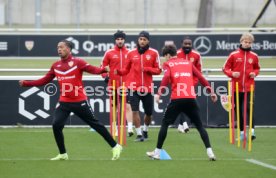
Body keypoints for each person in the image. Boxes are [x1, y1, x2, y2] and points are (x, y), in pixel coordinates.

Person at [19, 40, 122, 161]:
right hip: (64, 102)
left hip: (80, 101)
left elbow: (93, 69)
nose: (59, 49)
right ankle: (63, 154)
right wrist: (26, 83)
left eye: (62, 47)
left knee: (96, 124)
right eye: (58, 47)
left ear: (69, 49)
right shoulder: (56, 65)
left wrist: (104, 70)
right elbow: (44, 80)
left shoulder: (78, 62)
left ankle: (115, 146)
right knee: (56, 125)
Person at [146, 44, 217, 161]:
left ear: (168, 55)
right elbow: (200, 76)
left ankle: (157, 152)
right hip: (190, 98)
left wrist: (159, 93)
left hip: (177, 99)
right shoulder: (188, 62)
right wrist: (211, 92)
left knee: (165, 124)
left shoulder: (168, 64)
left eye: (165, 57)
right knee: (199, 126)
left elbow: (166, 77)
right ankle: (210, 152)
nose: (165, 59)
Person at [115, 31, 162, 141]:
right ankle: (139, 134)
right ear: (138, 40)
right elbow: (126, 69)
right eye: (140, 39)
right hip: (133, 88)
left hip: (147, 88)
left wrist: (147, 69)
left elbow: (158, 70)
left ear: (148, 41)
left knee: (149, 113)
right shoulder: (131, 53)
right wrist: (119, 72)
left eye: (144, 39)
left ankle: (145, 129)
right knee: (134, 110)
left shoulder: (154, 53)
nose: (142, 41)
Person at [223, 32, 260, 141]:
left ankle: (252, 132)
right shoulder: (233, 55)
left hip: (249, 87)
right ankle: (242, 133)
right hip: (236, 87)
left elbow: (257, 68)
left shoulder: (254, 56)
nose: (247, 44)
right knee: (238, 110)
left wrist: (255, 73)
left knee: (249, 108)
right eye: (245, 42)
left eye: (249, 42)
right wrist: (232, 73)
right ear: (241, 42)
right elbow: (225, 68)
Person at [101, 30, 134, 137]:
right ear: (115, 40)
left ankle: (129, 128)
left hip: (126, 85)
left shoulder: (129, 53)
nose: (120, 41)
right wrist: (105, 76)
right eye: (118, 39)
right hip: (113, 85)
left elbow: (133, 68)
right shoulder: (109, 53)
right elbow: (103, 67)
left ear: (124, 40)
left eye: (121, 39)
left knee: (128, 106)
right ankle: (114, 129)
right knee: (114, 107)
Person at [175, 37, 202, 133]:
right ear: (181, 44)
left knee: (190, 105)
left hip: (191, 84)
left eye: (189, 44)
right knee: (180, 103)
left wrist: (192, 83)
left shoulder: (196, 55)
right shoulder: (176, 54)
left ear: (191, 45)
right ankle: (185, 123)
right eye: (185, 44)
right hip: (178, 84)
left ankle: (180, 124)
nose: (187, 46)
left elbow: (198, 72)